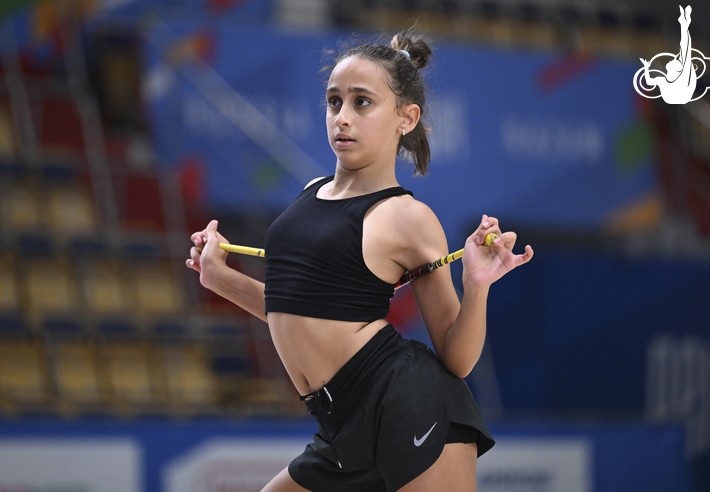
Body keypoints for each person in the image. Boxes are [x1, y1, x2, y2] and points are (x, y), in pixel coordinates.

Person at [187, 29, 534, 492]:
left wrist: (477, 285)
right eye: (334, 102)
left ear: (406, 118)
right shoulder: (310, 193)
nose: (342, 117)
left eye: (362, 102)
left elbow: (457, 358)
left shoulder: (409, 218)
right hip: (339, 427)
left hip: (408, 403)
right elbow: (301, 309)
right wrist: (220, 278)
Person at [640, 5, 696, 104]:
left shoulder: (680, 79)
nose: (672, 60)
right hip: (672, 100)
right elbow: (649, 82)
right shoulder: (663, 80)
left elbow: (685, 47)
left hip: (678, 99)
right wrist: (646, 67)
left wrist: (684, 26)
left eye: (673, 61)